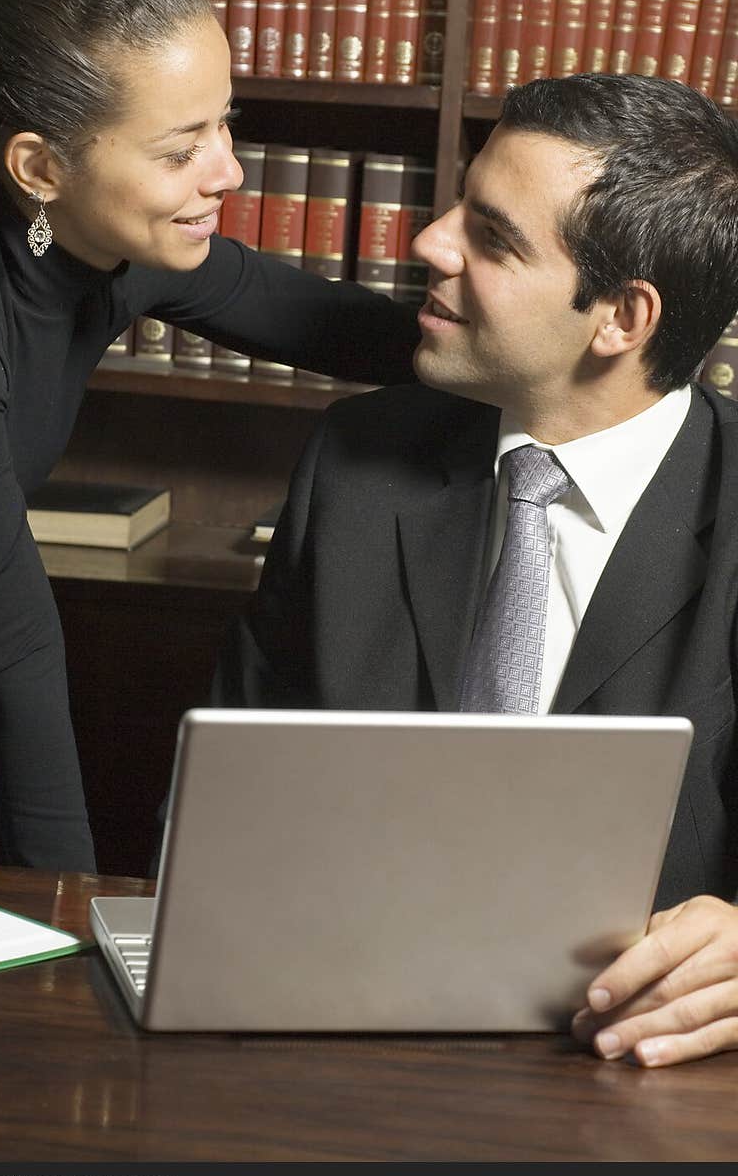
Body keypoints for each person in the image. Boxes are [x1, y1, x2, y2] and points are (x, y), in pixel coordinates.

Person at [0, 0, 421, 874]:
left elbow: (335, 326)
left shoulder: (111, 247)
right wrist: (71, 908)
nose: (227, 172)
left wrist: (555, 348)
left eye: (224, 122)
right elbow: (12, 632)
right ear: (40, 167)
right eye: (179, 150)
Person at [213, 71, 738, 1068]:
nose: (427, 244)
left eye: (491, 238)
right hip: (328, 1038)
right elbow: (223, 802)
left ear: (620, 318)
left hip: (635, 1078)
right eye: (459, 203)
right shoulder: (354, 463)